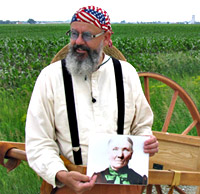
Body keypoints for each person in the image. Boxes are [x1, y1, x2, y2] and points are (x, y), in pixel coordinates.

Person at [25, 5, 158, 194]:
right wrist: (60, 174)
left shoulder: (126, 74)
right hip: (69, 185)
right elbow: (38, 141)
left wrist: (146, 139)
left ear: (106, 37)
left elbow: (142, 125)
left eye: (87, 35)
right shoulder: (50, 78)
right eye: (73, 34)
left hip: (123, 188)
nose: (78, 42)